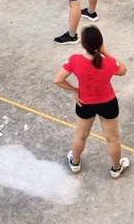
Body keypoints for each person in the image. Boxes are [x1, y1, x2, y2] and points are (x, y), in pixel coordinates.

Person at [55, 26, 130, 178]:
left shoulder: (75, 60)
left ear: (83, 44)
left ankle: (75, 163)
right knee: (112, 139)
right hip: (108, 103)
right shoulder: (109, 63)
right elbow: (123, 70)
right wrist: (105, 52)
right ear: (100, 43)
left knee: (81, 135)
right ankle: (116, 169)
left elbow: (58, 80)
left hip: (85, 103)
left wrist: (75, 90)